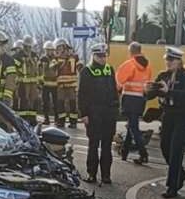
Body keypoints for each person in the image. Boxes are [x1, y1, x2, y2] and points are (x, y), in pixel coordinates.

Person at [146, 46, 185, 199]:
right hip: (168, 115)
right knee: (165, 147)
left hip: (182, 116)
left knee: (176, 151)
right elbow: (151, 95)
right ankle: (181, 173)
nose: (168, 63)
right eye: (167, 60)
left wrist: (169, 92)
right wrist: (149, 90)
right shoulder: (163, 76)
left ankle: (172, 186)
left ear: (179, 61)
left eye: (171, 60)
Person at [78, 43, 119, 185]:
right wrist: (84, 114)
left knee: (107, 145)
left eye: (104, 56)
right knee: (93, 144)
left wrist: (115, 110)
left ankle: (106, 175)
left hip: (108, 113)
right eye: (100, 56)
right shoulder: (86, 71)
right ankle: (92, 174)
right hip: (94, 113)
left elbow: (114, 92)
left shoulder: (110, 70)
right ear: (93, 56)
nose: (103, 59)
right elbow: (82, 95)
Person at [116, 41, 151, 164]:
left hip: (129, 98)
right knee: (132, 124)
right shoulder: (147, 66)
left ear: (130, 51)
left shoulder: (129, 64)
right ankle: (124, 152)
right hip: (140, 99)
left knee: (133, 127)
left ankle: (143, 153)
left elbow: (119, 82)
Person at [54, 37, 79, 129]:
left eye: (59, 48)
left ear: (64, 47)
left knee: (72, 103)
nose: (58, 50)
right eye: (57, 48)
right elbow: (51, 67)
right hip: (61, 85)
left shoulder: (74, 57)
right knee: (60, 104)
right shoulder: (56, 58)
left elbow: (80, 66)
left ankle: (73, 122)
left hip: (71, 85)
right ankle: (61, 122)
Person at [17, 35, 39, 125]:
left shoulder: (34, 55)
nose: (28, 48)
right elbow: (17, 68)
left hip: (33, 82)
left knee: (33, 100)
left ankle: (32, 119)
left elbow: (37, 68)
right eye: (26, 46)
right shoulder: (18, 56)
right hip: (23, 82)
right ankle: (23, 119)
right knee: (23, 100)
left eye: (30, 46)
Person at [38, 39, 59, 123]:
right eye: (47, 50)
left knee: (56, 102)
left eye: (50, 50)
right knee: (45, 102)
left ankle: (57, 119)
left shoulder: (56, 59)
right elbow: (39, 70)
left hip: (55, 84)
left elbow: (57, 70)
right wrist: (40, 82)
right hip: (45, 84)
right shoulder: (42, 59)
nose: (49, 51)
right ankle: (46, 118)